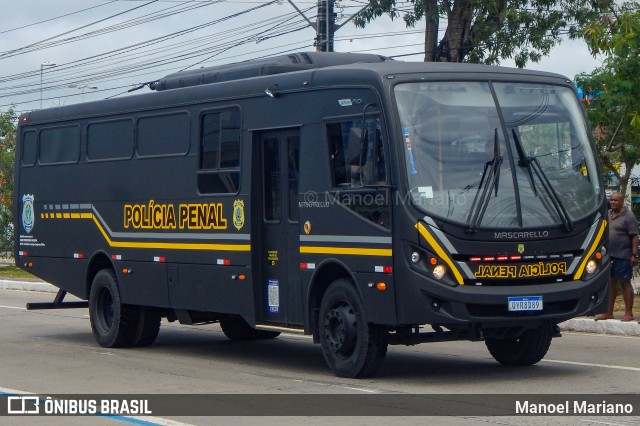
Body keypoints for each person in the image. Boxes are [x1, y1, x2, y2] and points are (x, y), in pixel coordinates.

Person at [596, 191, 638, 321]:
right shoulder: (607, 214)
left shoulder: (629, 216)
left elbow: (634, 236)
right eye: (612, 200)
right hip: (609, 255)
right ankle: (608, 312)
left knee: (625, 283)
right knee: (610, 283)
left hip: (623, 255)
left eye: (616, 200)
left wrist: (634, 255)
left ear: (621, 202)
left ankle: (628, 313)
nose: (613, 202)